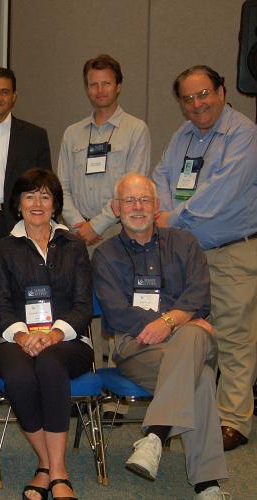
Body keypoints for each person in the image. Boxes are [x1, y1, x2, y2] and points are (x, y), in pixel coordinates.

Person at [93, 173, 229, 499]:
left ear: (157, 207)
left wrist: (169, 323)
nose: (137, 207)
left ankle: (154, 436)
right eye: (129, 200)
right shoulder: (105, 254)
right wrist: (180, 320)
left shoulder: (185, 243)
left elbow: (199, 296)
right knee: (200, 376)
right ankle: (207, 485)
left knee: (192, 339)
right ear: (115, 207)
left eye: (145, 200)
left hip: (191, 340)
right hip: (137, 347)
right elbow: (117, 313)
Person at [153, 65, 257, 452]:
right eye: (188, 98)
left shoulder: (244, 134)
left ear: (222, 91)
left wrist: (174, 217)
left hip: (232, 251)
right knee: (192, 336)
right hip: (190, 254)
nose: (197, 104)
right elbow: (162, 173)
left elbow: (222, 191)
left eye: (203, 94)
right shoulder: (184, 134)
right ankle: (199, 414)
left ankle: (234, 420)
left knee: (234, 338)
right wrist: (165, 212)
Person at [0, 168, 93, 500]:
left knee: (49, 365)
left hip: (68, 340)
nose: (37, 203)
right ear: (18, 204)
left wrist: (54, 334)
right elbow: (1, 305)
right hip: (14, 339)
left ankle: (55, 469)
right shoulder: (4, 248)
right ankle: (46, 463)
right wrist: (21, 336)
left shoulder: (74, 245)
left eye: (45, 196)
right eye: (29, 196)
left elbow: (82, 305)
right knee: (19, 377)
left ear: (55, 204)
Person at [57, 54, 151, 396]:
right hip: (76, 235)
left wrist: (96, 225)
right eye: (93, 83)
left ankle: (117, 384)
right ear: (87, 88)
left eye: (106, 83)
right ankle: (85, 383)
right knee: (80, 306)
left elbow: (133, 187)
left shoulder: (136, 130)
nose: (99, 90)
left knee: (116, 307)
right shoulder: (72, 133)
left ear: (118, 86)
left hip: (118, 234)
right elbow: (61, 187)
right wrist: (78, 224)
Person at [0, 67, 52, 276]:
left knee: (18, 286)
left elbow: (44, 186)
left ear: (14, 96)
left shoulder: (34, 136)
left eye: (4, 92)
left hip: (18, 223)